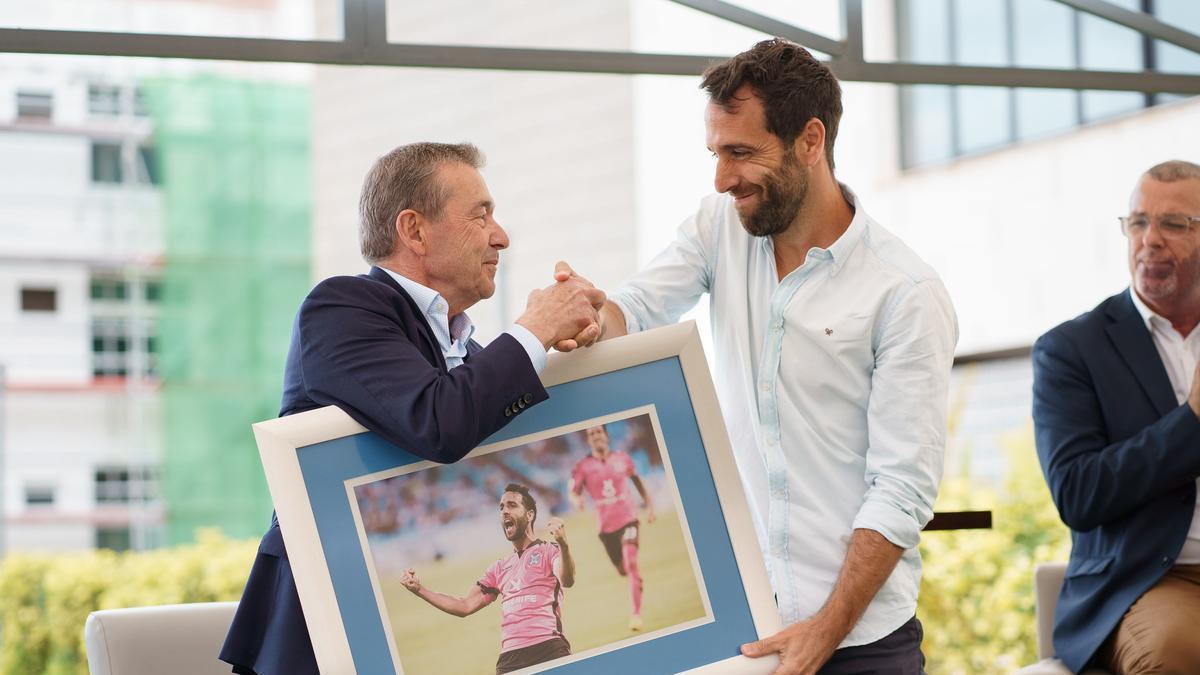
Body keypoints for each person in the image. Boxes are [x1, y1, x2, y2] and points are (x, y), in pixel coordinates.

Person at [559, 39, 957, 673]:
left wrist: (823, 631)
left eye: (741, 153)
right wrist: (587, 317)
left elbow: (901, 490)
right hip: (747, 631)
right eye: (717, 154)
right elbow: (634, 307)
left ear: (810, 140)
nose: (722, 179)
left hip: (862, 644)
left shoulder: (905, 293)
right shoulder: (720, 226)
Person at [219, 142, 605, 675]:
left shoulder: (469, 352)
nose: (501, 235)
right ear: (415, 230)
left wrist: (579, 342)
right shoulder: (341, 308)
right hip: (322, 639)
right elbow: (439, 421)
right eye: (481, 214)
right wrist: (536, 329)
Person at [1032, 160, 1200, 674]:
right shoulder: (1072, 349)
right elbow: (1078, 493)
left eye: (1174, 224)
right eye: (1138, 222)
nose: (1149, 240)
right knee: (1170, 651)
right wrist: (1192, 417)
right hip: (1149, 580)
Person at [402, 483, 575, 674]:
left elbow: (567, 580)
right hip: (509, 660)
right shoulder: (499, 568)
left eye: (512, 505)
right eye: (501, 507)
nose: (505, 511)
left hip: (548, 647)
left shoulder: (549, 551)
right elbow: (464, 605)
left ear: (530, 515)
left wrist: (564, 545)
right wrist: (420, 590)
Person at [568, 424, 656, 631]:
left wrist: (649, 506)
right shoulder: (583, 466)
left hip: (629, 519)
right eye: (591, 434)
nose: (596, 436)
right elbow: (573, 492)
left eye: (599, 432)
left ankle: (636, 615)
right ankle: (634, 578)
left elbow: (637, 481)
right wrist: (577, 501)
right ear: (588, 441)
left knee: (632, 563)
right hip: (606, 528)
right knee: (622, 570)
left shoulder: (622, 458)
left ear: (606, 436)